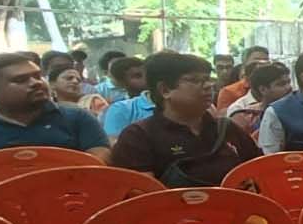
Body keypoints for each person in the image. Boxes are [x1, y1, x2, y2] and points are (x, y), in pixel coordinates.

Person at [0, 52, 111, 172]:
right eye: (20, 80)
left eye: (37, 76)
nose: (36, 83)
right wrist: (29, 179)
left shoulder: (77, 118)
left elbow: (100, 160)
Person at [112, 51, 261, 187]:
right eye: (195, 80)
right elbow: (143, 196)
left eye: (208, 79)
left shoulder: (225, 128)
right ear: (165, 90)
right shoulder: (138, 136)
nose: (208, 86)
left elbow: (260, 172)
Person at [227, 62, 292, 136]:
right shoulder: (245, 116)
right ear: (263, 89)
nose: (289, 87)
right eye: (281, 84)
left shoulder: (297, 109)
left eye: (289, 82)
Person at [101, 56, 155, 139]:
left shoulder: (166, 102)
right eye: (137, 76)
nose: (145, 79)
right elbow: (114, 143)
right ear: (121, 82)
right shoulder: (119, 109)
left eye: (147, 74)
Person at [215, 46, 270, 111]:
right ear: (244, 65)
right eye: (256, 61)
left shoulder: (276, 88)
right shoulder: (228, 92)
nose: (262, 65)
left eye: (265, 61)